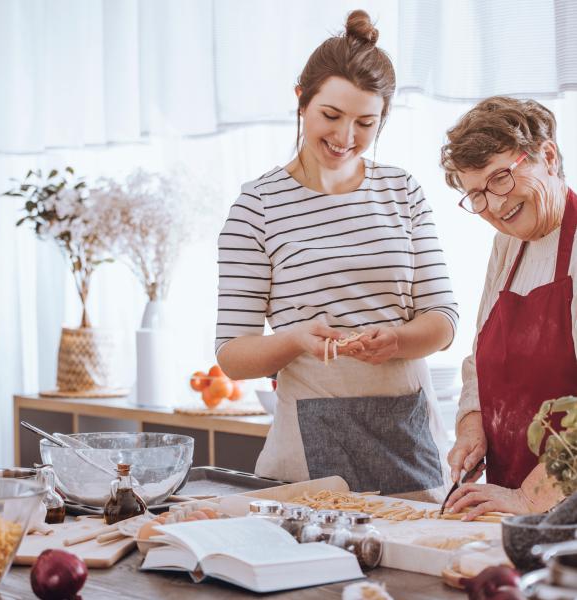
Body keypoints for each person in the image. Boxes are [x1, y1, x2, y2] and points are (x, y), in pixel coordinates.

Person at [214, 10, 459, 501]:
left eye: (365, 123)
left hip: (408, 446)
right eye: (331, 115)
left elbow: (444, 321)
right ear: (301, 100)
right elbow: (233, 357)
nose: (346, 138)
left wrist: (397, 339)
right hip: (306, 452)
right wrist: (298, 339)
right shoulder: (255, 208)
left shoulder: (402, 192)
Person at [441, 96, 575, 520]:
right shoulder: (507, 246)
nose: (495, 206)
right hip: (513, 512)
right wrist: (472, 425)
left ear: (547, 156)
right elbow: (481, 360)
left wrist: (531, 498)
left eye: (501, 178)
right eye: (476, 194)